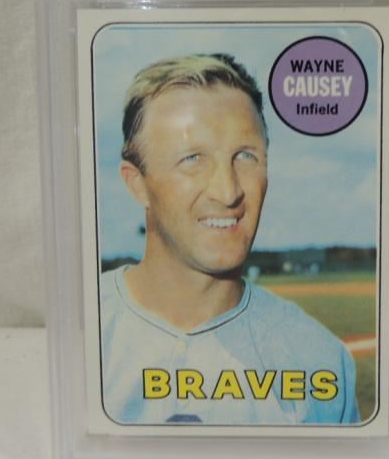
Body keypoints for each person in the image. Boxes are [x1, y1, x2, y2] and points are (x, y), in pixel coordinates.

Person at [100, 53, 361, 425]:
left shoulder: (320, 359)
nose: (228, 192)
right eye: (192, 158)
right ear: (137, 183)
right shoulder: (80, 334)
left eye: (245, 156)